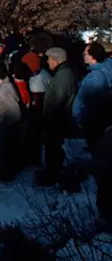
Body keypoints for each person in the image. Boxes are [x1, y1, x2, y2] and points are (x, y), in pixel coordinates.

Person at [38, 47, 78, 186]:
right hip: (56, 119)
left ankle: (53, 176)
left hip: (57, 120)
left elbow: (57, 99)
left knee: (54, 149)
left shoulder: (63, 75)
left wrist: (48, 117)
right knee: (53, 149)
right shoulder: (63, 73)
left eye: (49, 59)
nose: (48, 62)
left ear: (56, 60)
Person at [0, 61, 23, 187]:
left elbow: (9, 108)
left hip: (3, 123)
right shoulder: (3, 86)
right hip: (4, 123)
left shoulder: (5, 90)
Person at [75, 42, 112, 152]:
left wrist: (81, 118)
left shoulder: (96, 77)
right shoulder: (105, 69)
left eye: (85, 53)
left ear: (93, 56)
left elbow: (91, 102)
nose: (83, 55)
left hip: (92, 123)